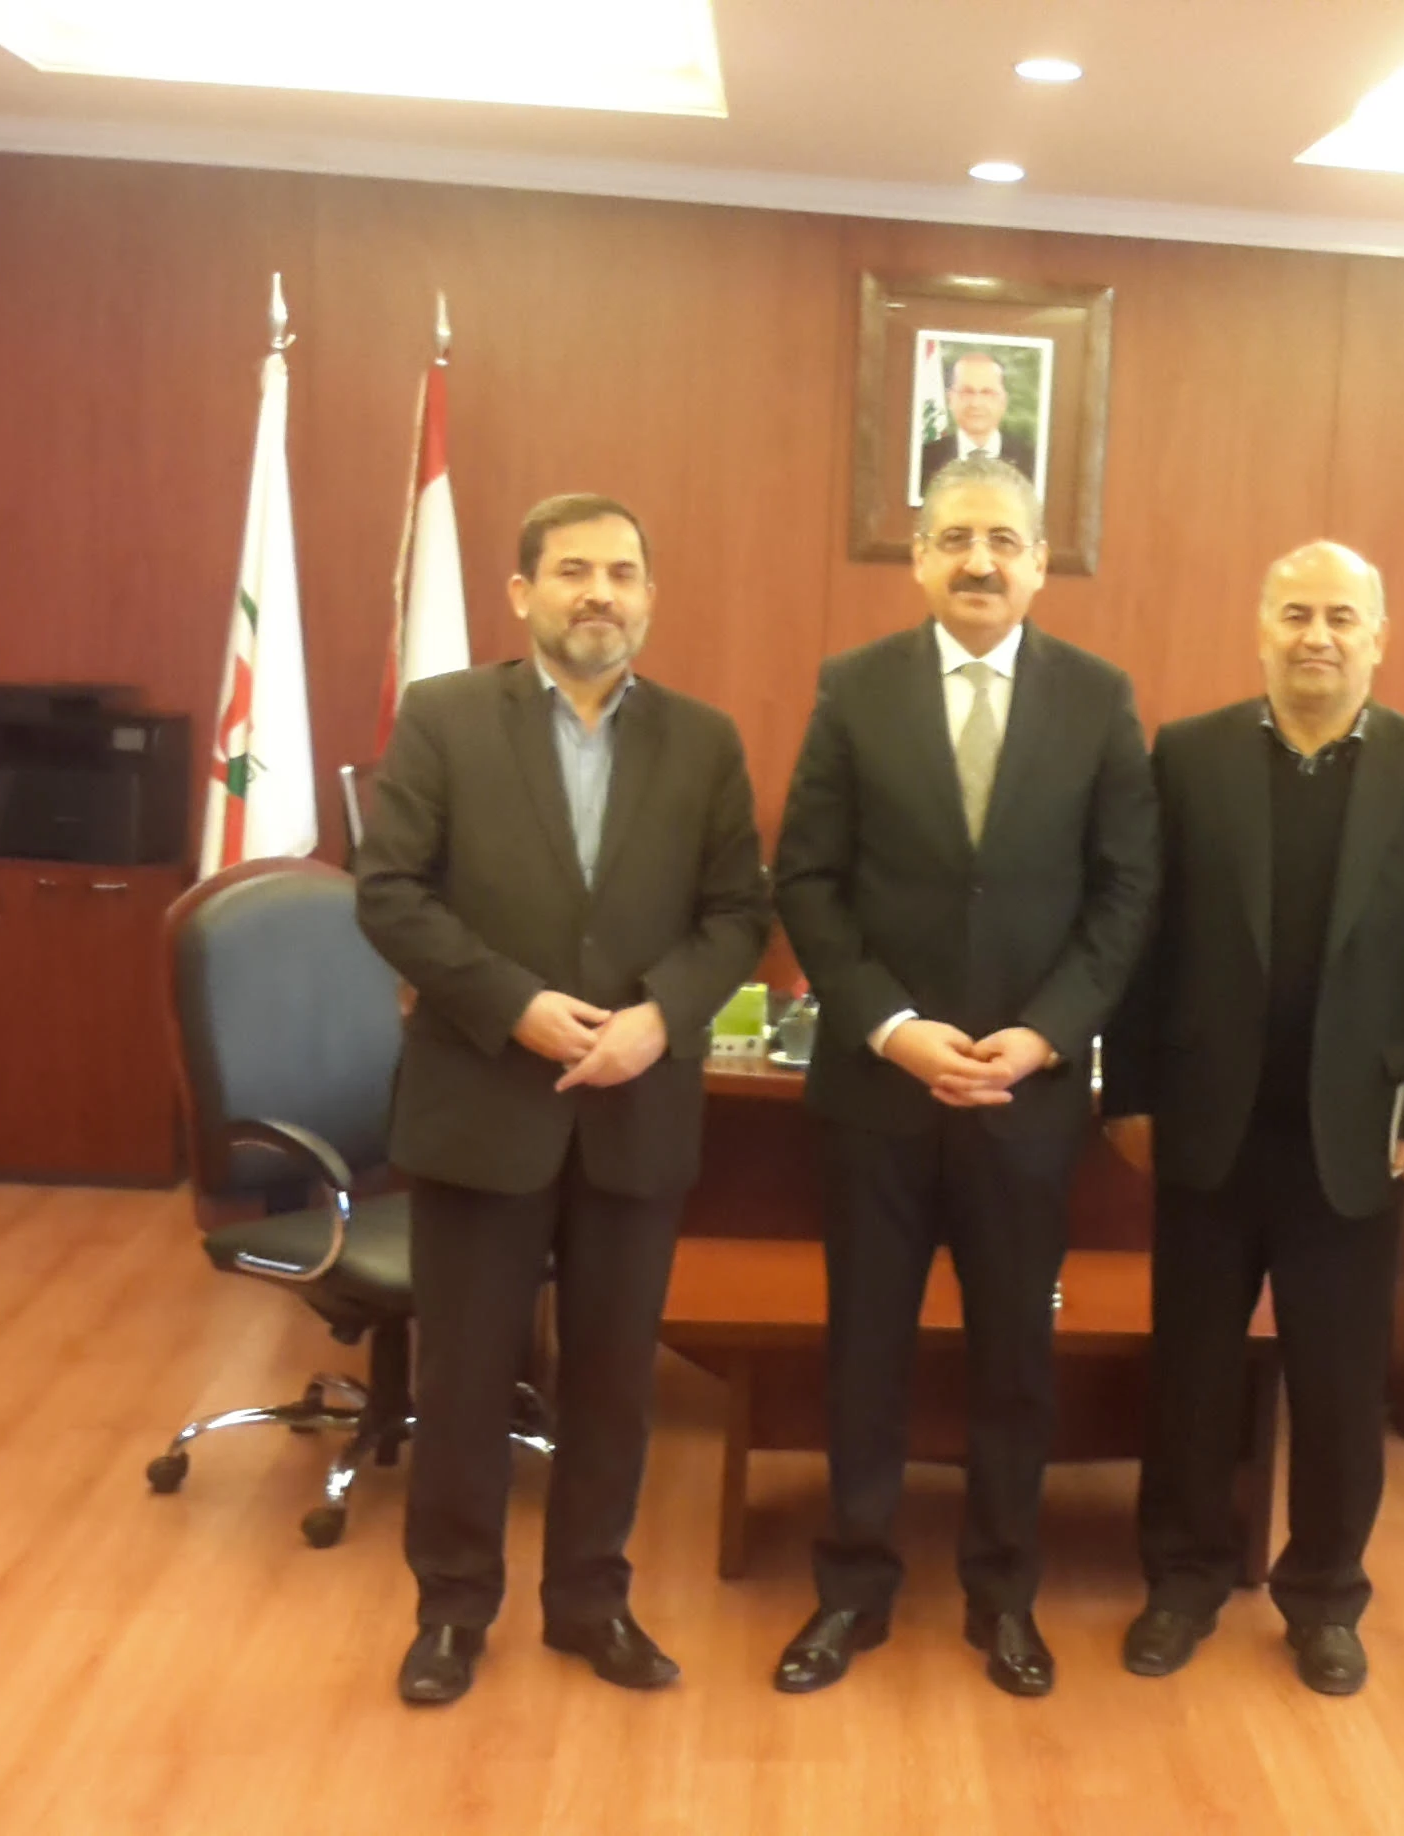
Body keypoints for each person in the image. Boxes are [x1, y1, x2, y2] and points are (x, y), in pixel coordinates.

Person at [354, 493, 772, 1707]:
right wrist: (516, 1006)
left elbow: (737, 913)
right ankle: (451, 1610)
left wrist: (660, 1016)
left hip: (637, 1106)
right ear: (522, 592)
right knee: (463, 1381)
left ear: (649, 596)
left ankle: (590, 1601)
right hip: (484, 1098)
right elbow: (390, 892)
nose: (601, 593)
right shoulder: (444, 718)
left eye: (623, 573)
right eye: (575, 570)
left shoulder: (703, 741)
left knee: (613, 1382)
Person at [769, 454, 1160, 1698]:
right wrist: (891, 1026)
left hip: (1026, 1100)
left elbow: (1127, 892)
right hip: (879, 1095)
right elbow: (807, 880)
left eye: (1002, 541)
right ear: (920, 559)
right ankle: (853, 1588)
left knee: (1015, 1364)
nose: (979, 561)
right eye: (954, 539)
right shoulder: (855, 688)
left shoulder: (1098, 698)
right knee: (865, 1354)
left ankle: (1005, 1595)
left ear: (1040, 562)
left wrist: (1047, 1034)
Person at [1100, 541, 1404, 1695]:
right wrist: (1129, 1090)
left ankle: (1324, 1596)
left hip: (1357, 1136)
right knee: (1192, 1376)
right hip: (1206, 1127)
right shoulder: (1188, 756)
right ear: (1260, 630)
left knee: (1337, 1388)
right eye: (1295, 614)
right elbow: (1143, 941)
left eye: (1340, 617)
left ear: (1379, 638)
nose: (1317, 636)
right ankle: (1182, 1581)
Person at [918, 348, 1033, 497]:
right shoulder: (923, 461)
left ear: (1003, 401)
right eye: (967, 392)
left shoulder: (1032, 461)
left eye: (987, 392)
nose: (976, 403)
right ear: (950, 399)